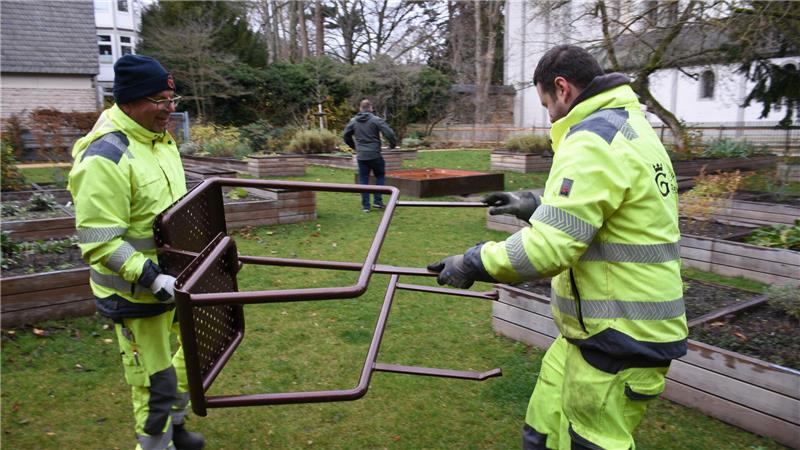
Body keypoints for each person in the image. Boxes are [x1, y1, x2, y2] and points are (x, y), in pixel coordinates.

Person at [428, 44, 686, 450]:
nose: (549, 115)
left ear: (562, 88)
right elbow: (603, 212)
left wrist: (474, 261)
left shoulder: (593, 140)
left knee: (591, 441)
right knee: (544, 427)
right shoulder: (629, 128)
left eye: (546, 103)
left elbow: (549, 249)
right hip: (593, 332)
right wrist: (535, 205)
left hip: (620, 336)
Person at [68, 55, 204, 450]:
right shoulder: (105, 156)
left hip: (174, 279)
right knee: (154, 382)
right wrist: (151, 277)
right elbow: (100, 240)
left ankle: (175, 425)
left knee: (196, 353)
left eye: (172, 99)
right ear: (127, 102)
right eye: (159, 100)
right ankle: (156, 446)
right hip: (136, 293)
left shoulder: (158, 140)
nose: (169, 109)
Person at [343, 99, 397, 212]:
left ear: (360, 108)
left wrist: (355, 147)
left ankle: (365, 206)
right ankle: (377, 201)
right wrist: (392, 145)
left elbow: (346, 136)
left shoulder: (354, 121)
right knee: (380, 175)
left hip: (362, 155)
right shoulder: (376, 120)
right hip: (375, 154)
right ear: (371, 108)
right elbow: (389, 133)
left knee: (363, 179)